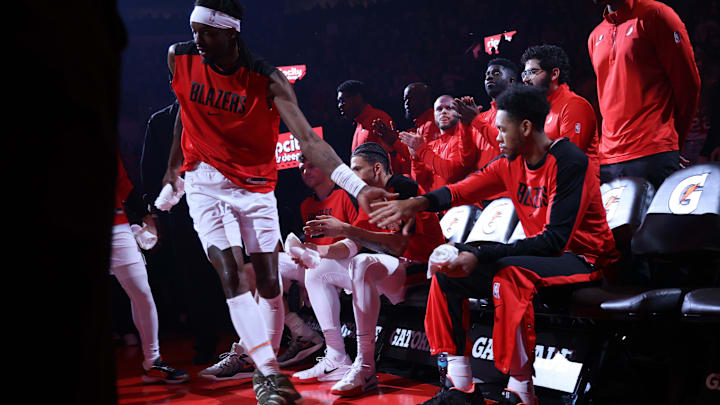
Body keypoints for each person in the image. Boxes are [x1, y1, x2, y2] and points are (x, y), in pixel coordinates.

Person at [163, 1, 391, 403]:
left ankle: (293, 341)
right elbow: (185, 106)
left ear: (231, 32)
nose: (197, 39)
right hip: (204, 183)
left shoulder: (267, 79)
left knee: (269, 283)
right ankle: (269, 377)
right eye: (194, 30)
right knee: (233, 275)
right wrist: (174, 170)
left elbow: (310, 142)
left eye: (207, 32)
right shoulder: (179, 57)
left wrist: (356, 187)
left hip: (254, 187)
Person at [369, 85, 618, 405]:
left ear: (526, 127)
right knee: (448, 270)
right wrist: (417, 203)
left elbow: (555, 241)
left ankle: (520, 390)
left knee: (509, 275)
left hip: (584, 259)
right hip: (541, 254)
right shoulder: (511, 162)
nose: (496, 136)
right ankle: (459, 387)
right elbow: (460, 191)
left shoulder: (569, 161)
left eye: (502, 129)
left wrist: (479, 253)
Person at [291, 143, 444, 397]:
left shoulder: (402, 188)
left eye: (356, 170)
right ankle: (338, 357)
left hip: (422, 270)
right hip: (393, 271)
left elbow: (398, 246)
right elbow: (355, 243)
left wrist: (345, 228)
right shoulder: (367, 199)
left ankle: (365, 366)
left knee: (363, 264)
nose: (351, 177)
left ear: (376, 168)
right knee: (317, 269)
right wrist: (314, 251)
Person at [588, 0, 701, 189]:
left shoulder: (657, 15)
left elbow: (688, 85)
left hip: (653, 153)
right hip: (608, 158)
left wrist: (672, 142)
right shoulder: (594, 36)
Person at [113, 155, 189, 384]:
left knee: (142, 294)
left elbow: (123, 183)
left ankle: (153, 362)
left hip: (117, 226)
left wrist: (146, 216)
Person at [277, 157, 360, 366]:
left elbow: (359, 239)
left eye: (311, 165)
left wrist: (318, 257)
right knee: (260, 269)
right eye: (301, 168)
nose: (305, 171)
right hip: (315, 263)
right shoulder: (306, 205)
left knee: (318, 269)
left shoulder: (346, 195)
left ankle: (336, 355)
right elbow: (307, 245)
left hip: (343, 264)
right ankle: (300, 332)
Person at [521, 44, 599, 172]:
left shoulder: (574, 106)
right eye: (524, 73)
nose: (525, 79)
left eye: (533, 72)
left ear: (554, 74)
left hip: (578, 189)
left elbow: (570, 161)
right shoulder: (536, 110)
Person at [399, 95, 489, 192]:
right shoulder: (430, 146)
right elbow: (420, 182)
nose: (443, 112)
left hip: (463, 205)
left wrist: (420, 149)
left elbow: (451, 173)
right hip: (438, 205)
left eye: (449, 108)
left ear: (459, 112)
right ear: (434, 116)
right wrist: (416, 159)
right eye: (439, 109)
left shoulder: (465, 140)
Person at [338, 79, 412, 175]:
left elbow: (394, 159)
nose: (340, 106)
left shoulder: (378, 119)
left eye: (342, 100)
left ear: (358, 98)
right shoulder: (358, 125)